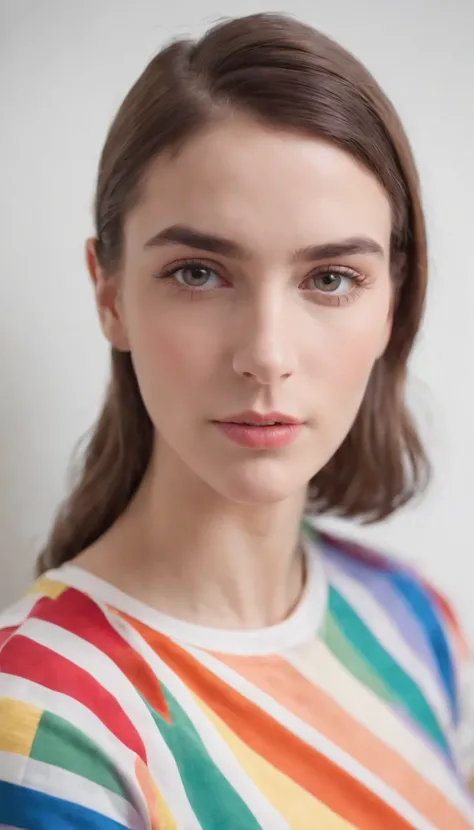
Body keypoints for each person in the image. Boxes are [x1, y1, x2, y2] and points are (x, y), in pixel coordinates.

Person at [0, 11, 472, 829]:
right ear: (109, 294)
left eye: (329, 278)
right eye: (199, 272)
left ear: (395, 301)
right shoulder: (41, 713)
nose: (266, 353)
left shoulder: (414, 619)